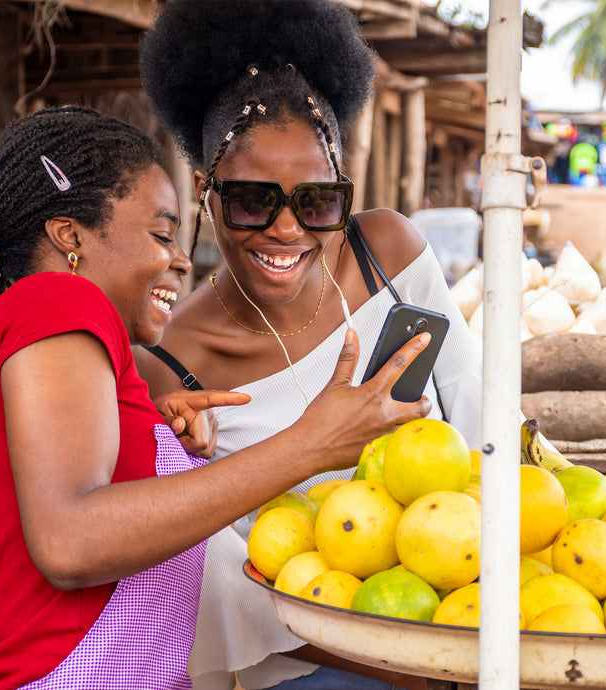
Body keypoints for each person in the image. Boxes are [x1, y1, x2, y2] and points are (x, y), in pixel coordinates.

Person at [0, 106, 433, 690]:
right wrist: (310, 446)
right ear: (70, 236)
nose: (181, 261)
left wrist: (153, 444)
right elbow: (69, 541)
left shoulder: (44, 331)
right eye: (160, 235)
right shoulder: (58, 301)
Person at [135, 2, 484, 689]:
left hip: (456, 607)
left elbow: (479, 425)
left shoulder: (389, 255)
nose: (287, 231)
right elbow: (223, 590)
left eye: (319, 202)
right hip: (304, 661)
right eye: (252, 201)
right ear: (206, 192)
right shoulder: (169, 362)